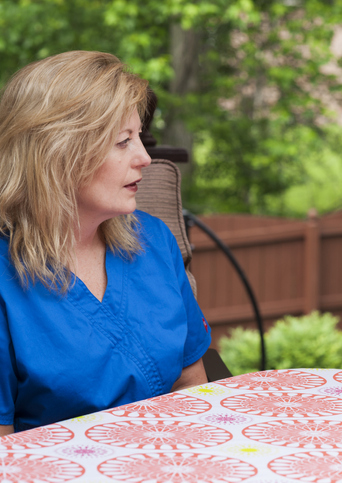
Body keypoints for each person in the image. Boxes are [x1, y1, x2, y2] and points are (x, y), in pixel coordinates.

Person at [0, 51, 211, 435]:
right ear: (57, 155)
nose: (145, 158)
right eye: (122, 142)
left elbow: (190, 384)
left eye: (140, 138)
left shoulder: (154, 239)